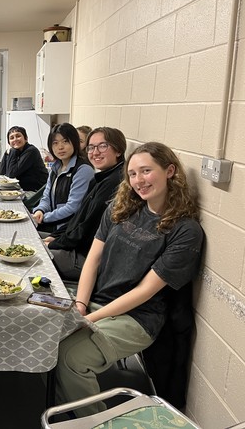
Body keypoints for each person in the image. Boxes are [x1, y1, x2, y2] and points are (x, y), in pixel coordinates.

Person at [55, 142, 204, 417]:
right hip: (96, 301)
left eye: (146, 171)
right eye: (132, 174)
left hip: (137, 317)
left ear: (170, 171)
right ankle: (65, 409)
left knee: (70, 358)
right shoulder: (120, 208)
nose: (138, 181)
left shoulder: (185, 230)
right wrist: (80, 305)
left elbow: (145, 291)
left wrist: (89, 319)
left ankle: (93, 421)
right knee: (45, 331)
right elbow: (93, 260)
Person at [45, 127, 126, 282]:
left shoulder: (114, 182)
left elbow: (86, 229)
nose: (95, 152)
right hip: (75, 244)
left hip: (86, 258)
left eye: (103, 146)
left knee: (34, 254)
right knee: (29, 241)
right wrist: (55, 236)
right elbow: (79, 218)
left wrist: (55, 243)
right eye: (91, 147)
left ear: (118, 150)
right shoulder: (100, 178)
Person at [32, 123, 94, 234]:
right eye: (55, 143)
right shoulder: (56, 167)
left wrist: (45, 218)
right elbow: (46, 197)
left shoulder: (83, 170)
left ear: (74, 142)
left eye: (65, 141)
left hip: (69, 231)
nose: (60, 147)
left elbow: (72, 208)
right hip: (53, 226)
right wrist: (39, 210)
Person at [0, 126, 48, 192]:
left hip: (37, 192)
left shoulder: (31, 151)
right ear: (9, 142)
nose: (15, 139)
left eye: (18, 136)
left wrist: (12, 151)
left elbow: (11, 174)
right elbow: (2, 172)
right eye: (12, 138)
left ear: (26, 138)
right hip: (24, 189)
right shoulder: (17, 151)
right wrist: (6, 153)